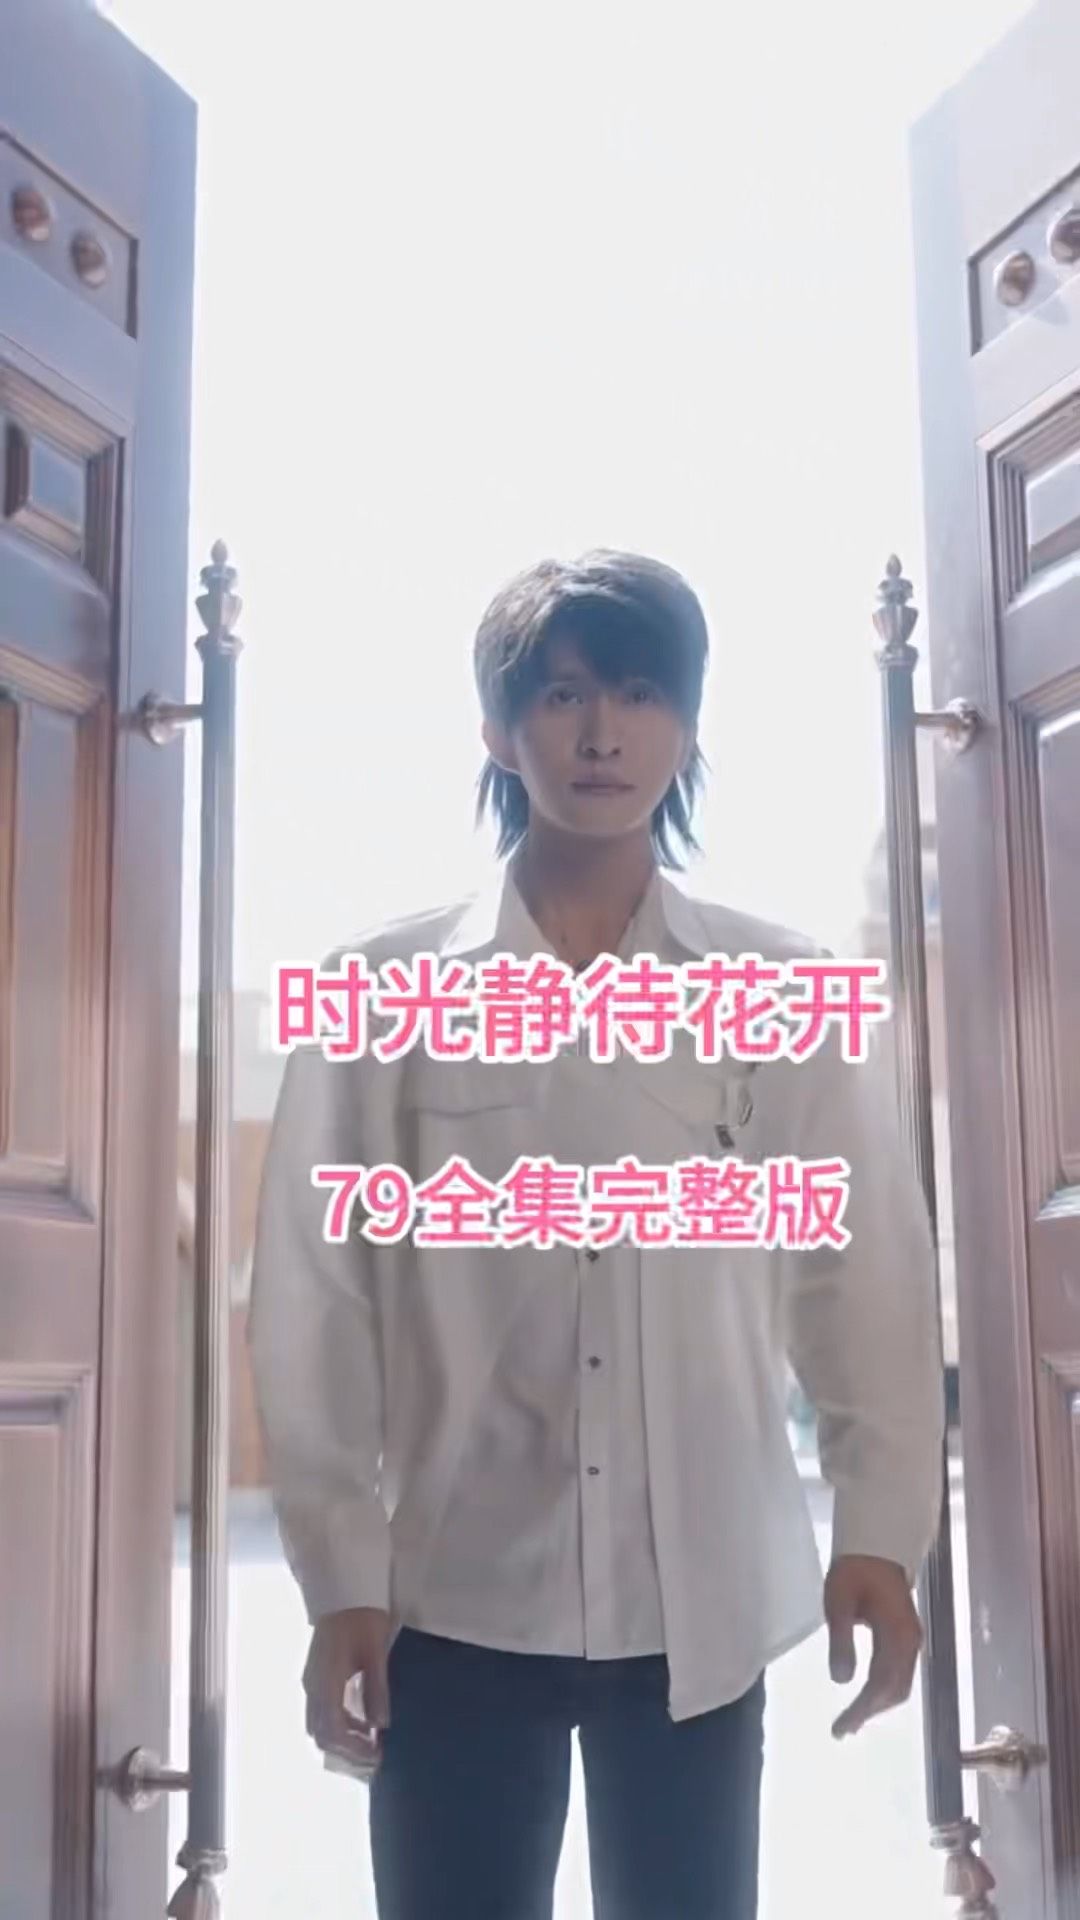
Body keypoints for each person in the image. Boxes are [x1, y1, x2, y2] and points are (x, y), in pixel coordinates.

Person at [249, 549, 944, 1920]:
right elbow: (316, 1303)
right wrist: (338, 1574)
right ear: (498, 729)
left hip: (701, 1604)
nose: (602, 732)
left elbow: (861, 1276)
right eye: (562, 695)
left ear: (687, 724)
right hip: (452, 1598)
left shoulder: (779, 985)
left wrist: (879, 1529)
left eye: (638, 693)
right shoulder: (382, 991)